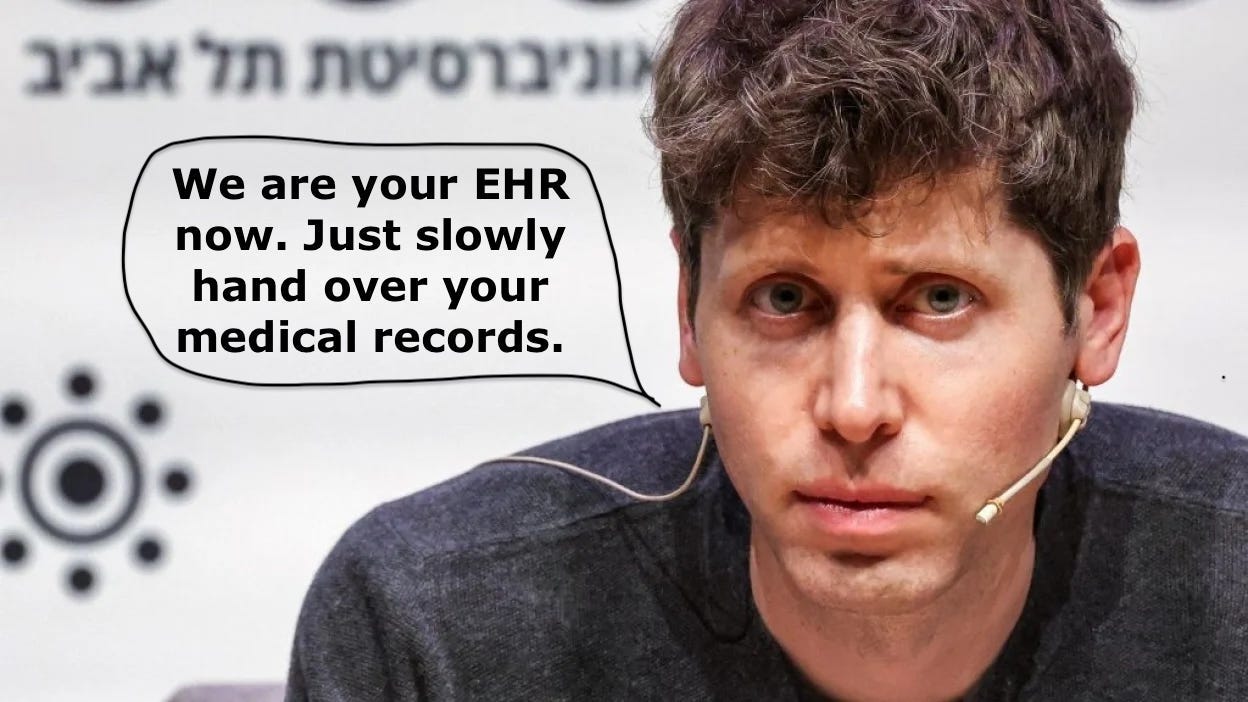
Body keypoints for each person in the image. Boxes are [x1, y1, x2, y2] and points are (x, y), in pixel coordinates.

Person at [285, 1, 1248, 700]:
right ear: (688, 311)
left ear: (1098, 309)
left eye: (940, 300)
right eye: (784, 300)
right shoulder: (433, 629)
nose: (855, 408)